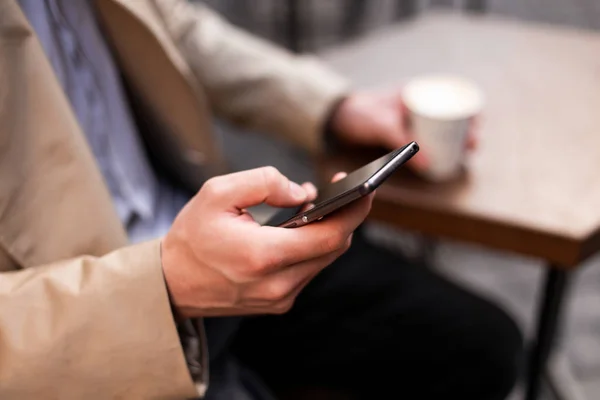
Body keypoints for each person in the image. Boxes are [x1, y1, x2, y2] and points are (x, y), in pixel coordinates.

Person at [0, 0, 522, 399]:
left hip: (214, 230)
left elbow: (171, 26)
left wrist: (329, 107)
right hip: (91, 325)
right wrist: (160, 286)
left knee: (481, 346)